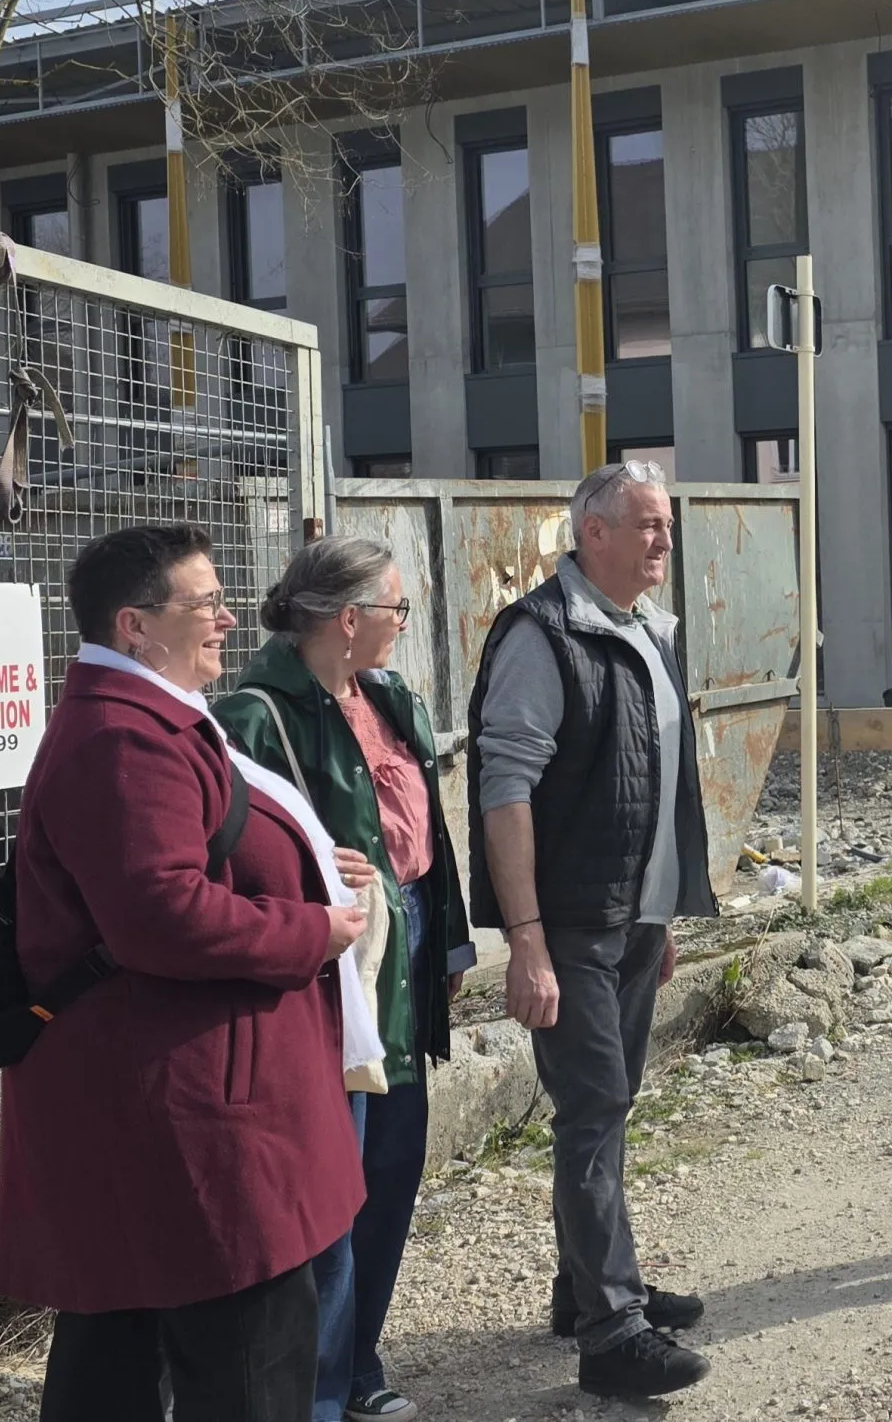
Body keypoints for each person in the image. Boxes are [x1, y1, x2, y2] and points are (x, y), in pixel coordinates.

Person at [0, 525, 375, 1422]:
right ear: (134, 626)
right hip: (192, 1115)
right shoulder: (123, 740)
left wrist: (311, 866)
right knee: (243, 1361)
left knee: (123, 1351)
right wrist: (308, 928)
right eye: (204, 604)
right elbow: (160, 913)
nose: (229, 618)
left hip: (188, 1097)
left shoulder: (151, 720)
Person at [466, 461, 716, 1400]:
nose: (662, 540)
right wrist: (525, 936)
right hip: (569, 925)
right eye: (645, 525)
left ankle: (585, 1288)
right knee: (592, 1111)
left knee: (611, 1106)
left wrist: (667, 906)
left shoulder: (653, 631)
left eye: (667, 525)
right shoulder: (541, 635)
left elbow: (657, 783)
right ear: (592, 535)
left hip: (634, 922)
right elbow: (505, 791)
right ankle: (613, 1333)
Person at [216, 538, 477, 1422]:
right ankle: (316, 1395)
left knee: (394, 1164)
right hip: (327, 972)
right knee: (332, 1185)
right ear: (349, 618)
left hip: (399, 956)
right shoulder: (254, 716)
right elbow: (229, 861)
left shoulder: (391, 697)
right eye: (397, 609)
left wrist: (446, 953)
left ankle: (358, 1362)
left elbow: (424, 836)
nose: (405, 625)